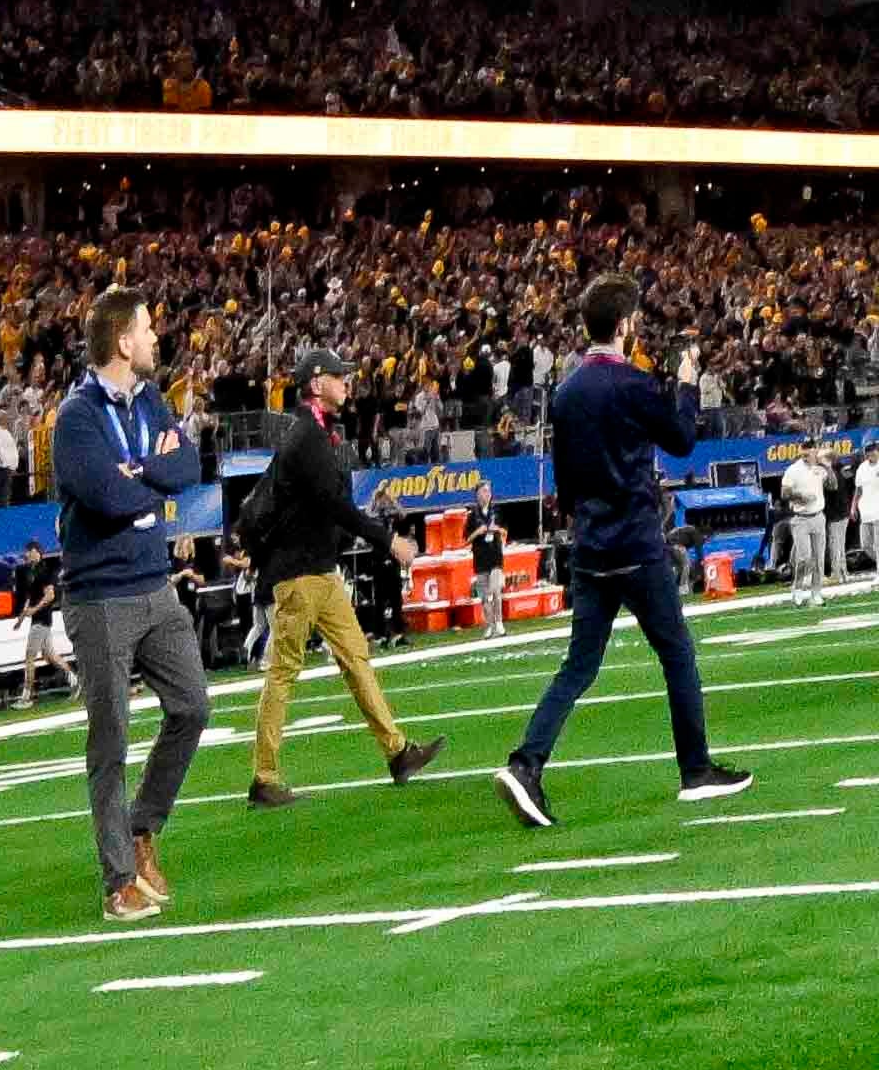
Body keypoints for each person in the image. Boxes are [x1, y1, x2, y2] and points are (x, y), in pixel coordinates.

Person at [495, 288, 750, 835]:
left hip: (591, 541)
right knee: (677, 653)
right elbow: (681, 439)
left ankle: (527, 762)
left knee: (579, 665)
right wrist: (685, 383)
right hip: (634, 539)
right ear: (627, 323)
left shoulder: (566, 392)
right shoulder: (630, 382)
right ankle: (696, 768)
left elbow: (564, 479)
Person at [49, 290, 214, 926]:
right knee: (111, 737)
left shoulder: (148, 399)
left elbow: (188, 466)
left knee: (193, 707)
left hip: (154, 584)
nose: (155, 337)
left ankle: (143, 828)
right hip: (100, 597)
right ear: (122, 343)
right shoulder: (77, 416)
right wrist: (148, 474)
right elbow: (106, 496)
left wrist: (138, 465)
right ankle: (118, 880)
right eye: (148, 328)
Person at [231, 359, 438, 804]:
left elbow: (329, 506)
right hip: (299, 575)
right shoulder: (307, 436)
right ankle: (263, 778)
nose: (348, 383)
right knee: (285, 672)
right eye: (340, 377)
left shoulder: (313, 433)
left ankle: (398, 752)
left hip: (318, 572)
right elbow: (335, 505)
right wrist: (389, 542)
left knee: (356, 659)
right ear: (317, 383)